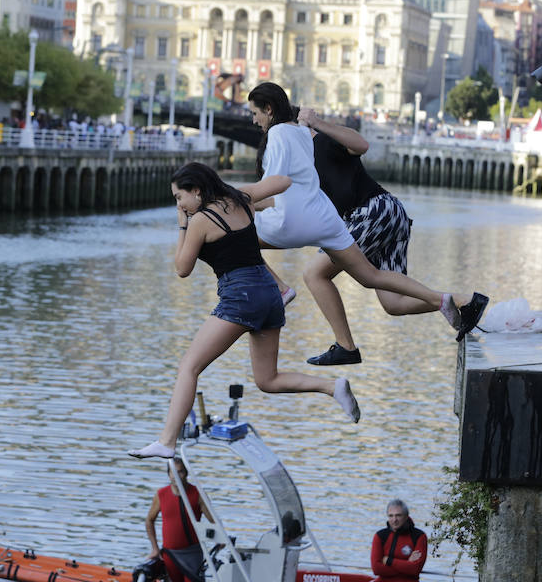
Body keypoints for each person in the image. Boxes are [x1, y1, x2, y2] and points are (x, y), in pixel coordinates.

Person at [129, 162, 361, 460]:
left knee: (189, 367)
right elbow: (283, 181)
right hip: (269, 293)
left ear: (196, 191)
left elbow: (182, 269)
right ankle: (332, 387)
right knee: (267, 380)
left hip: (241, 296)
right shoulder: (241, 197)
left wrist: (183, 224)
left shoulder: (200, 220)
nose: (179, 204)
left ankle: (167, 441)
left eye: (179, 197)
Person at [247, 82, 487, 348]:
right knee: (393, 304)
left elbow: (361, 144)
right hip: (388, 215)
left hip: (372, 211)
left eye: (256, 114)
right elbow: (279, 199)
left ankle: (344, 345)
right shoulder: (295, 159)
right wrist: (244, 205)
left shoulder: (321, 140)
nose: (255, 122)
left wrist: (318, 122)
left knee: (315, 274)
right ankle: (465, 301)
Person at [145, 458, 214, 582]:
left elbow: (214, 521)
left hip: (192, 554)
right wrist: (155, 549)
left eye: (180, 472)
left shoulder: (198, 494)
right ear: (169, 474)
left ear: (186, 473)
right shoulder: (161, 494)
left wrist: (220, 539)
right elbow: (149, 520)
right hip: (170, 555)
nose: (176, 476)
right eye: (173, 472)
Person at [370, 499, 427, 582]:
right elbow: (376, 569)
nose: (394, 519)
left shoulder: (419, 536)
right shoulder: (380, 536)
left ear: (406, 516)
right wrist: (407, 564)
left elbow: (415, 569)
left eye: (398, 515)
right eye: (391, 516)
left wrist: (389, 561)